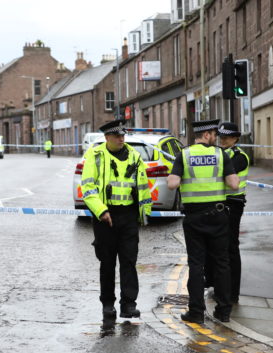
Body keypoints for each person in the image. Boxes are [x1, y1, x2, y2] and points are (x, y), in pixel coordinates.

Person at [167, 119, 239, 323]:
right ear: (206, 135)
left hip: (194, 218)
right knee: (222, 263)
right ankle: (224, 311)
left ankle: (196, 313)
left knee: (196, 264)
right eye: (214, 134)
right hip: (218, 215)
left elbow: (172, 184)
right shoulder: (221, 154)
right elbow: (234, 184)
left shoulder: (185, 154)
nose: (216, 137)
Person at [81, 120, 153, 324]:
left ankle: (129, 304)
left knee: (129, 261)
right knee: (107, 262)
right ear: (107, 138)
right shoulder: (94, 156)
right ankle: (107, 304)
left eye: (123, 135)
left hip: (128, 215)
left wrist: (144, 213)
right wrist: (101, 210)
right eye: (117, 136)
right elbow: (88, 188)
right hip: (105, 216)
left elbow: (143, 187)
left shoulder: (135, 157)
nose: (122, 139)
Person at [205, 122, 250, 304]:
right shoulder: (220, 153)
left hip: (233, 205)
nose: (223, 140)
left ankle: (233, 294)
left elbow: (220, 172)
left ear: (236, 139)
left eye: (227, 137)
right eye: (221, 136)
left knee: (230, 248)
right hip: (219, 204)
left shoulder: (240, 157)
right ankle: (218, 286)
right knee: (216, 247)